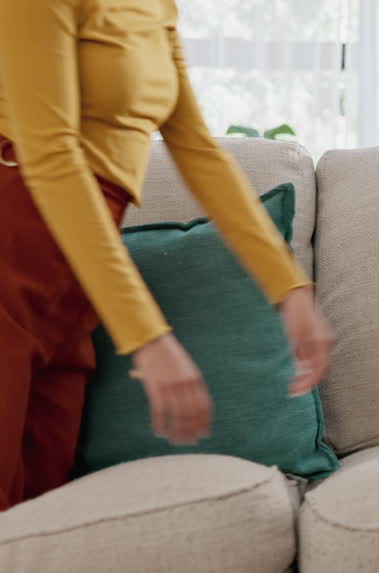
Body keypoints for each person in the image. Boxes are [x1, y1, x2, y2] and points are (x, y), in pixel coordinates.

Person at [0, 0, 335, 511]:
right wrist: (149, 339)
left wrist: (287, 287)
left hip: (73, 269)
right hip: (17, 230)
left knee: (38, 515)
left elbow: (195, 148)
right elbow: (49, 154)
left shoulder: (157, 7)